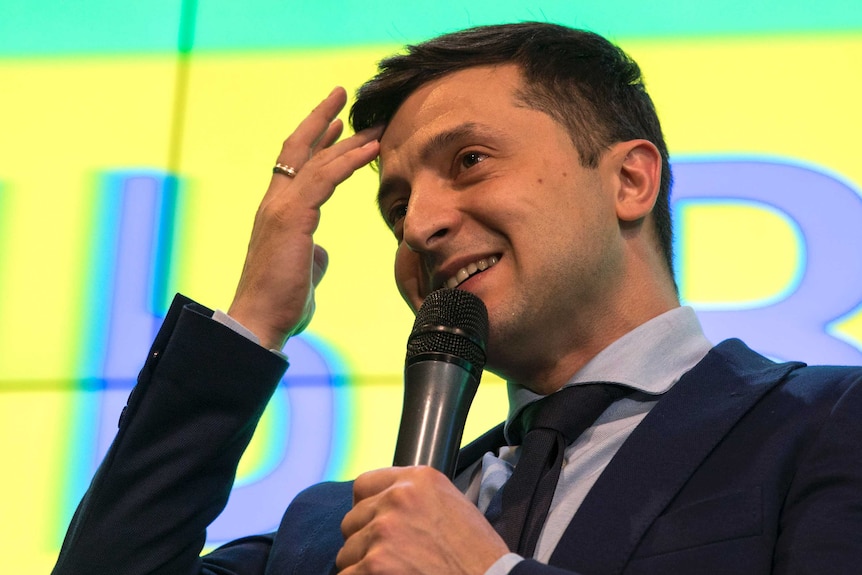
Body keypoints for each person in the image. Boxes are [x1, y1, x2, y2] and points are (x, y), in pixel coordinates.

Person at [51, 22, 862, 575]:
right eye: (396, 206)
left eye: (470, 159)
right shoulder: (336, 529)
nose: (423, 225)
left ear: (629, 179)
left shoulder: (827, 424)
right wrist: (253, 323)